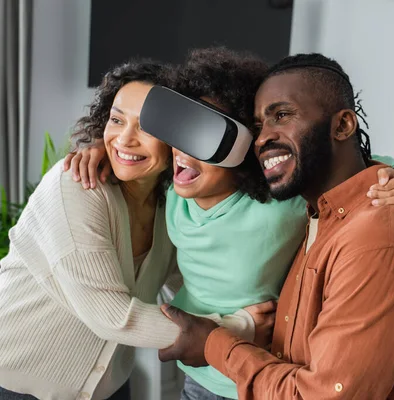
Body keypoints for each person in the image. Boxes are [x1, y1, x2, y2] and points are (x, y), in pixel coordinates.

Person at [66, 48, 394, 400]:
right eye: (181, 133)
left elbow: (341, 169)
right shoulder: (171, 191)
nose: (184, 151)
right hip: (196, 371)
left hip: (250, 378)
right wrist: (98, 148)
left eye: (205, 137)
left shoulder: (276, 205)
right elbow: (135, 158)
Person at [157, 53, 394, 400]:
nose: (262, 139)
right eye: (257, 127)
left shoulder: (378, 243)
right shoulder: (318, 215)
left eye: (282, 115)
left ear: (342, 125)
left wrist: (214, 343)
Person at [0, 61, 269, 400]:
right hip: (16, 385)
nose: (124, 139)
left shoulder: (170, 202)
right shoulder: (76, 186)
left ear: (180, 136)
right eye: (116, 120)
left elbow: (181, 282)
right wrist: (237, 328)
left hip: (108, 387)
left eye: (147, 127)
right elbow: (111, 316)